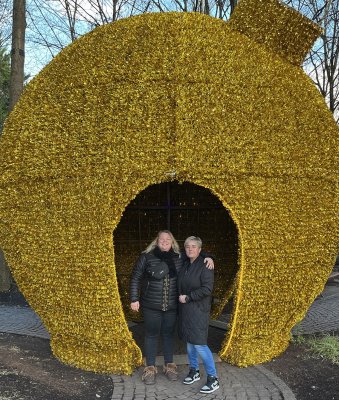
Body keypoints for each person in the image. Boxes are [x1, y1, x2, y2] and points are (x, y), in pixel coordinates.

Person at [130, 230, 214, 385]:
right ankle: (150, 368)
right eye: (162, 239)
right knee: (151, 335)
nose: (165, 241)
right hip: (151, 304)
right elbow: (136, 277)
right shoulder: (146, 257)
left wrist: (208, 256)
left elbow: (194, 252)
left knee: (169, 335)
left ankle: (169, 366)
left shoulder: (179, 257)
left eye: (168, 239)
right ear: (157, 241)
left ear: (172, 241)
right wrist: (134, 298)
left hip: (171, 306)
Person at [178, 236, 219, 394]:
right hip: (186, 311)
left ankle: (213, 378)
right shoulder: (186, 263)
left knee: (200, 344)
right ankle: (194, 371)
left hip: (198, 310)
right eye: (188, 246)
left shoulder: (205, 265)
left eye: (194, 246)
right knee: (190, 343)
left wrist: (188, 297)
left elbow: (207, 289)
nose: (190, 249)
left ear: (200, 250)